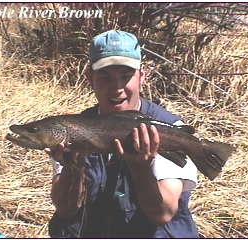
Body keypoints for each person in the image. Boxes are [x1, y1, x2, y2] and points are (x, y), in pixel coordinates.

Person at [46, 30, 199, 238]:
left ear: (141, 76)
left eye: (126, 77)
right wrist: (74, 168)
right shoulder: (74, 128)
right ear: (90, 78)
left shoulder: (168, 129)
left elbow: (163, 214)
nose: (117, 88)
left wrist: (142, 170)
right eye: (105, 77)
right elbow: (66, 210)